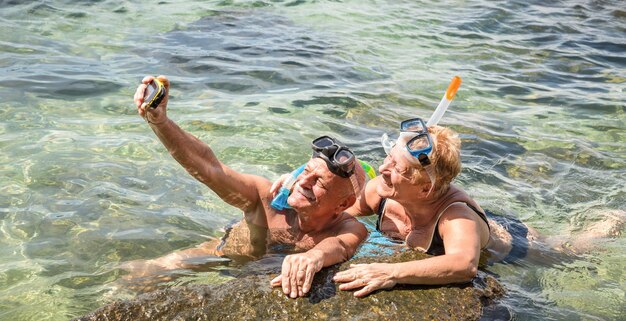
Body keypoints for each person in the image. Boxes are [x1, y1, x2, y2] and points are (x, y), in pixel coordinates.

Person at [272, 118, 624, 297]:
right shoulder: (384, 189)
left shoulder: (455, 217)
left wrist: (389, 272)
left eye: (397, 168)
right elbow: (339, 212)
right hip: (457, 231)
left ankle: (613, 220)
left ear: (426, 186)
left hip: (512, 244)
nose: (382, 170)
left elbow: (463, 264)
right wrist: (295, 189)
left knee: (570, 251)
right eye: (387, 158)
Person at [128, 75, 367, 299]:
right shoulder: (266, 199)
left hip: (256, 272)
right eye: (305, 172)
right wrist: (160, 121)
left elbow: (340, 246)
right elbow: (209, 168)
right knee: (140, 274)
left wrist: (313, 256)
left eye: (319, 182)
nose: (304, 182)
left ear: (343, 204)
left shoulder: (348, 227)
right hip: (223, 253)